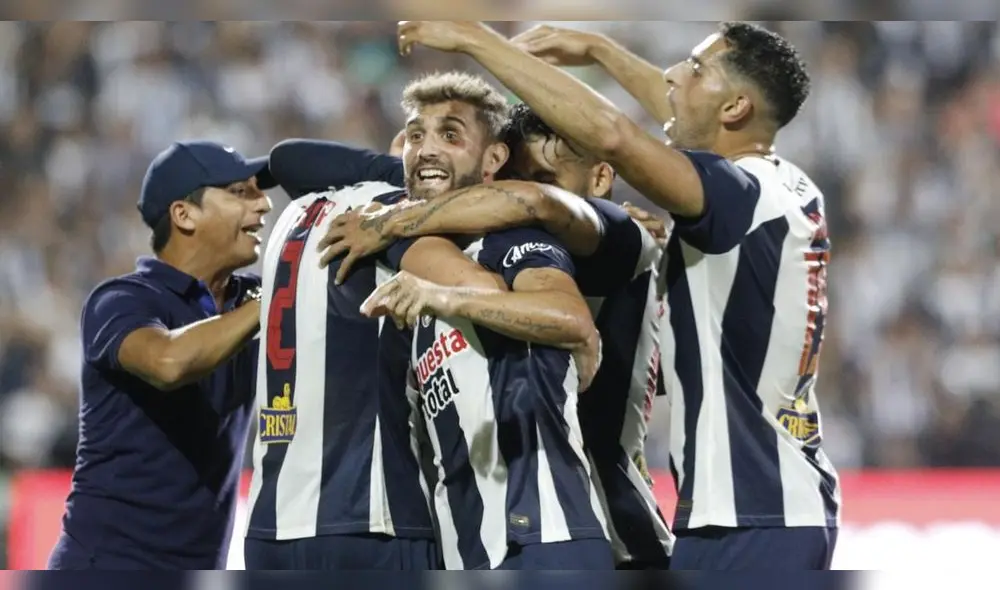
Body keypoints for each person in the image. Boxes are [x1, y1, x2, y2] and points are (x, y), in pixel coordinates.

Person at [397, 20, 840, 570]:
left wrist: (473, 40)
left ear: (735, 108)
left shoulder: (715, 200)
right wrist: (596, 49)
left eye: (695, 69)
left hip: (741, 512)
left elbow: (614, 138)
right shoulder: (783, 187)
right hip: (766, 499)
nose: (674, 76)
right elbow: (682, 115)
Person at [243, 71, 603, 570]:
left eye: (449, 135)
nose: (426, 150)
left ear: (495, 159)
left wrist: (442, 293)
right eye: (416, 136)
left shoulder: (505, 243)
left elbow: (565, 315)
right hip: (431, 534)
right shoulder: (394, 231)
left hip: (537, 537)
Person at [320, 102, 674, 569]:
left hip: (603, 529)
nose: (512, 201)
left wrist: (390, 224)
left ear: (601, 180)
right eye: (511, 181)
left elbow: (539, 210)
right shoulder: (519, 255)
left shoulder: (619, 238)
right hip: (534, 525)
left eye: (541, 178)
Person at [47, 140, 275, 569]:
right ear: (183, 215)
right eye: (240, 192)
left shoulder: (251, 299)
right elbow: (167, 363)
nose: (264, 204)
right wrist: (270, 304)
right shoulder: (122, 300)